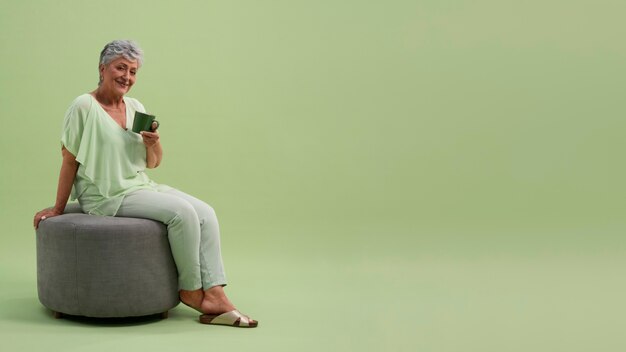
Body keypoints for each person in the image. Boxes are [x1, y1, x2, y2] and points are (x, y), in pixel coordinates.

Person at [33, 40, 257, 328]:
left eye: (133, 71)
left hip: (139, 185)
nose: (127, 76)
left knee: (206, 213)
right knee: (182, 214)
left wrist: (154, 143)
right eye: (121, 68)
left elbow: (152, 163)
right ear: (103, 69)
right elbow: (69, 160)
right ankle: (190, 289)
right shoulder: (84, 106)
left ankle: (214, 292)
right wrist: (58, 207)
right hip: (106, 195)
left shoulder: (135, 106)